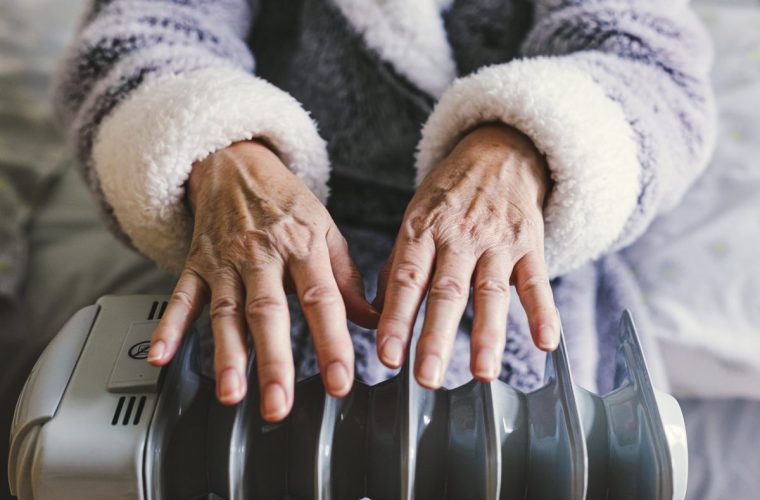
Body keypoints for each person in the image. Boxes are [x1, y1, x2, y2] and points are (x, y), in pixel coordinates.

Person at [54, 0, 715, 423]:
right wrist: (221, 150)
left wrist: (524, 145)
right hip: (265, 255)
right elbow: (135, 38)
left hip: (527, 275)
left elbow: (649, 63)